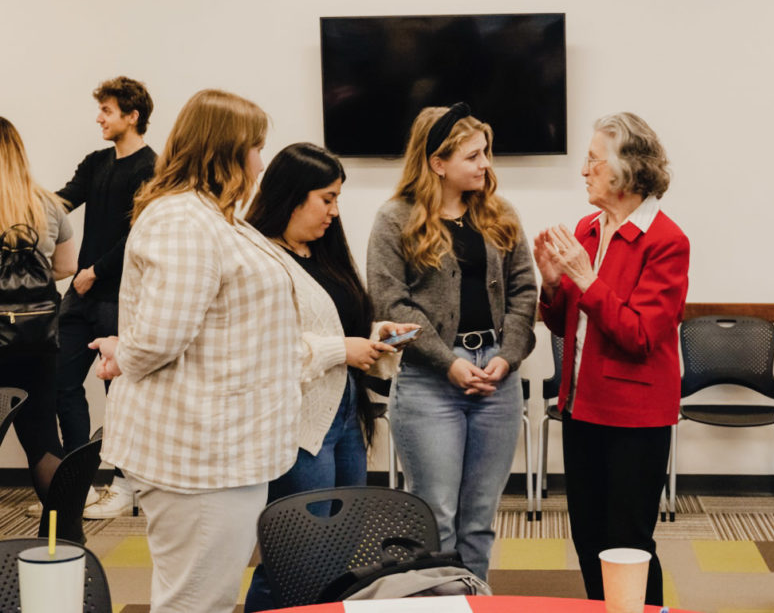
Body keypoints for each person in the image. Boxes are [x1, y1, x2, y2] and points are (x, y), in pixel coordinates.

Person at [89, 89, 305, 613]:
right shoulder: (184, 219)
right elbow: (161, 336)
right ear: (224, 151)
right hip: (200, 455)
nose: (260, 162)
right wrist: (126, 350)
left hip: (223, 449)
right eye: (255, 148)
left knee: (202, 597)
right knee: (195, 603)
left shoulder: (212, 216)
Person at [243, 142, 417, 612]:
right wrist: (343, 349)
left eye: (337, 198)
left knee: (340, 547)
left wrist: (375, 335)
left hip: (342, 415)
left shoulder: (322, 253)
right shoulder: (258, 256)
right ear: (292, 195)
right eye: (327, 198)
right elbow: (265, 349)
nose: (335, 212)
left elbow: (339, 327)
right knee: (297, 556)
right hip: (299, 426)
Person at [367, 103, 537, 581]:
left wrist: (507, 357)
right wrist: (449, 363)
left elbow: (526, 290)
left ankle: (474, 600)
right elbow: (391, 304)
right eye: (473, 156)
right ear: (437, 163)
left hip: (497, 378)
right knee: (436, 516)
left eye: (486, 153)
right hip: (429, 382)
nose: (485, 164)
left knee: (479, 519)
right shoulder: (394, 219)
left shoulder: (499, 214)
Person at [534, 112, 689, 607]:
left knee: (629, 545)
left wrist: (585, 279)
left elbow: (640, 335)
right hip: (581, 408)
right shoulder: (588, 229)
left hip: (634, 418)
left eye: (594, 160)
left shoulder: (667, 241)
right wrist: (553, 283)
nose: (584, 171)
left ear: (627, 169)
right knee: (588, 538)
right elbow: (565, 325)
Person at [55, 76, 156, 519]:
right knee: (60, 383)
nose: (99, 118)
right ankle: (82, 479)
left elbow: (141, 233)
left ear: (132, 117)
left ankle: (126, 483)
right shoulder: (96, 162)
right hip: (81, 295)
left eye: (108, 111)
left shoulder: (153, 168)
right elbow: (61, 202)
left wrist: (95, 270)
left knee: (124, 394)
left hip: (121, 298)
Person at [0, 116, 77, 505]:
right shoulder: (47, 202)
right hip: (37, 341)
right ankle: (64, 531)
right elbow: (66, 266)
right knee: (43, 437)